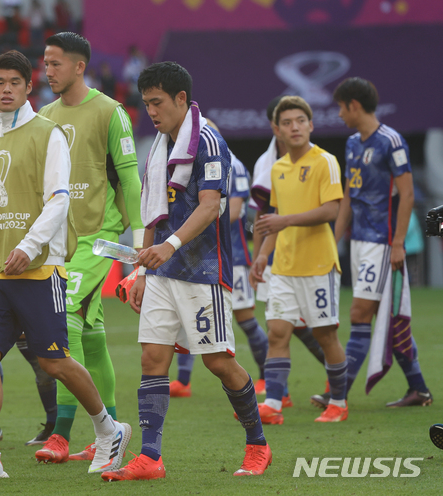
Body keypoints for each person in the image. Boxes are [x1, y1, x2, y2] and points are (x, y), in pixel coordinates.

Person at [0, 50, 131, 481]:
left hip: (39, 267)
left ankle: (109, 429)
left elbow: (59, 199)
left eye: (14, 82)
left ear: (29, 87)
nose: (5, 89)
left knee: (54, 361)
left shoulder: (49, 134)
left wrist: (29, 246)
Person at [100, 62, 271, 482]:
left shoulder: (208, 141)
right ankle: (150, 457)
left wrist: (169, 246)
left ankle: (258, 444)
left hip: (203, 271)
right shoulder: (160, 145)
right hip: (161, 271)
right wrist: (140, 273)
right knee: (152, 357)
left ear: (181, 99)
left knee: (218, 361)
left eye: (157, 102)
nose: (151, 112)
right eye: (146, 104)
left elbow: (211, 207)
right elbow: (152, 212)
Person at [33, 32, 143, 464]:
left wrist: (139, 242)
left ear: (79, 66)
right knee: (92, 338)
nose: (47, 71)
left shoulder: (110, 112)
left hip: (100, 238)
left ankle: (61, 434)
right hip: (59, 243)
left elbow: (130, 179)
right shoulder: (44, 117)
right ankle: (107, 434)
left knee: (63, 325)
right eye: (45, 63)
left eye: (55, 63)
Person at [314, 77, 432, 408]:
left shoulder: (391, 141)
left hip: (382, 242)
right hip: (359, 242)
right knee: (388, 319)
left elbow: (407, 194)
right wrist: (333, 240)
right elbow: (348, 196)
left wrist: (398, 243)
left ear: (354, 105)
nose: (339, 114)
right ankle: (419, 389)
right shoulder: (353, 143)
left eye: (341, 107)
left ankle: (337, 392)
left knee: (360, 313)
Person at [250, 95, 348, 424]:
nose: (295, 127)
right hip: (283, 268)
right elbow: (276, 219)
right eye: (287, 123)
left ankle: (339, 402)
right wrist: (263, 256)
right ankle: (273, 405)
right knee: (277, 332)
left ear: (311, 125)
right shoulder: (277, 169)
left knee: (325, 335)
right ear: (277, 130)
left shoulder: (325, 161)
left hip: (319, 266)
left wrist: (285, 220)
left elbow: (331, 210)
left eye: (301, 121)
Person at [169, 151, 269, 399]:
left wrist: (195, 220)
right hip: (199, 256)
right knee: (191, 315)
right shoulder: (190, 161)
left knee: (246, 319)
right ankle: (183, 381)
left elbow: (234, 211)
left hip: (231, 257)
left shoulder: (234, 164)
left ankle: (268, 377)